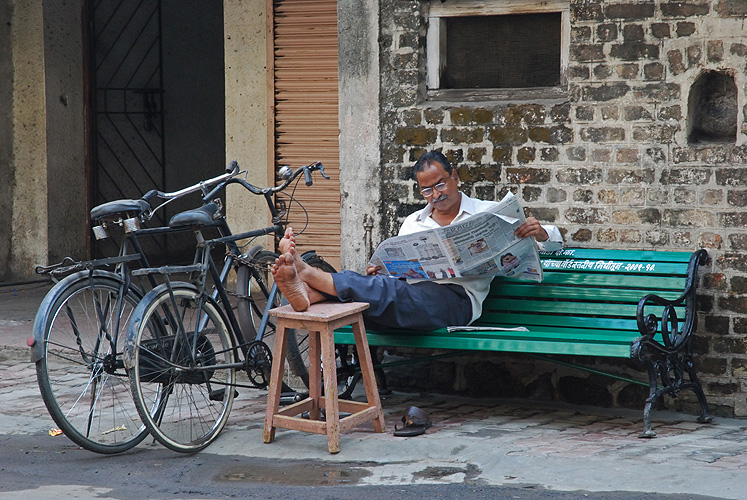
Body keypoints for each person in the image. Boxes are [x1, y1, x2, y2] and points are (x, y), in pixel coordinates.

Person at [271, 150, 563, 331]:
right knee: (382, 290)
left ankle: (310, 275)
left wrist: (540, 233)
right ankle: (311, 295)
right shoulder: (413, 222)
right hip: (411, 296)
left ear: (454, 177)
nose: (436, 194)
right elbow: (398, 270)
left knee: (387, 295)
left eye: (440, 184)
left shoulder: (488, 213)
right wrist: (382, 269)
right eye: (427, 190)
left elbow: (556, 243)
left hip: (456, 301)